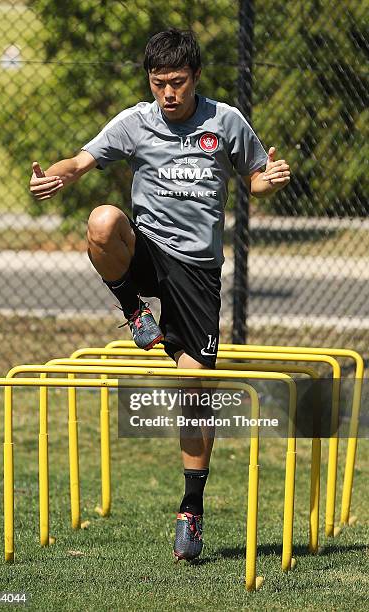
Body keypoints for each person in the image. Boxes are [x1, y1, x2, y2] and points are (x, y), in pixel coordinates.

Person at [29, 28, 291, 561]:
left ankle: (191, 510)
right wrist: (55, 177)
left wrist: (272, 179)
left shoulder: (226, 122)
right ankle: (134, 311)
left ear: (194, 77)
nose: (167, 93)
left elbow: (255, 178)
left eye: (176, 83)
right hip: (147, 249)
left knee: (195, 391)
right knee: (102, 221)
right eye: (158, 83)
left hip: (197, 270)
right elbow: (80, 162)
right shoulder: (135, 121)